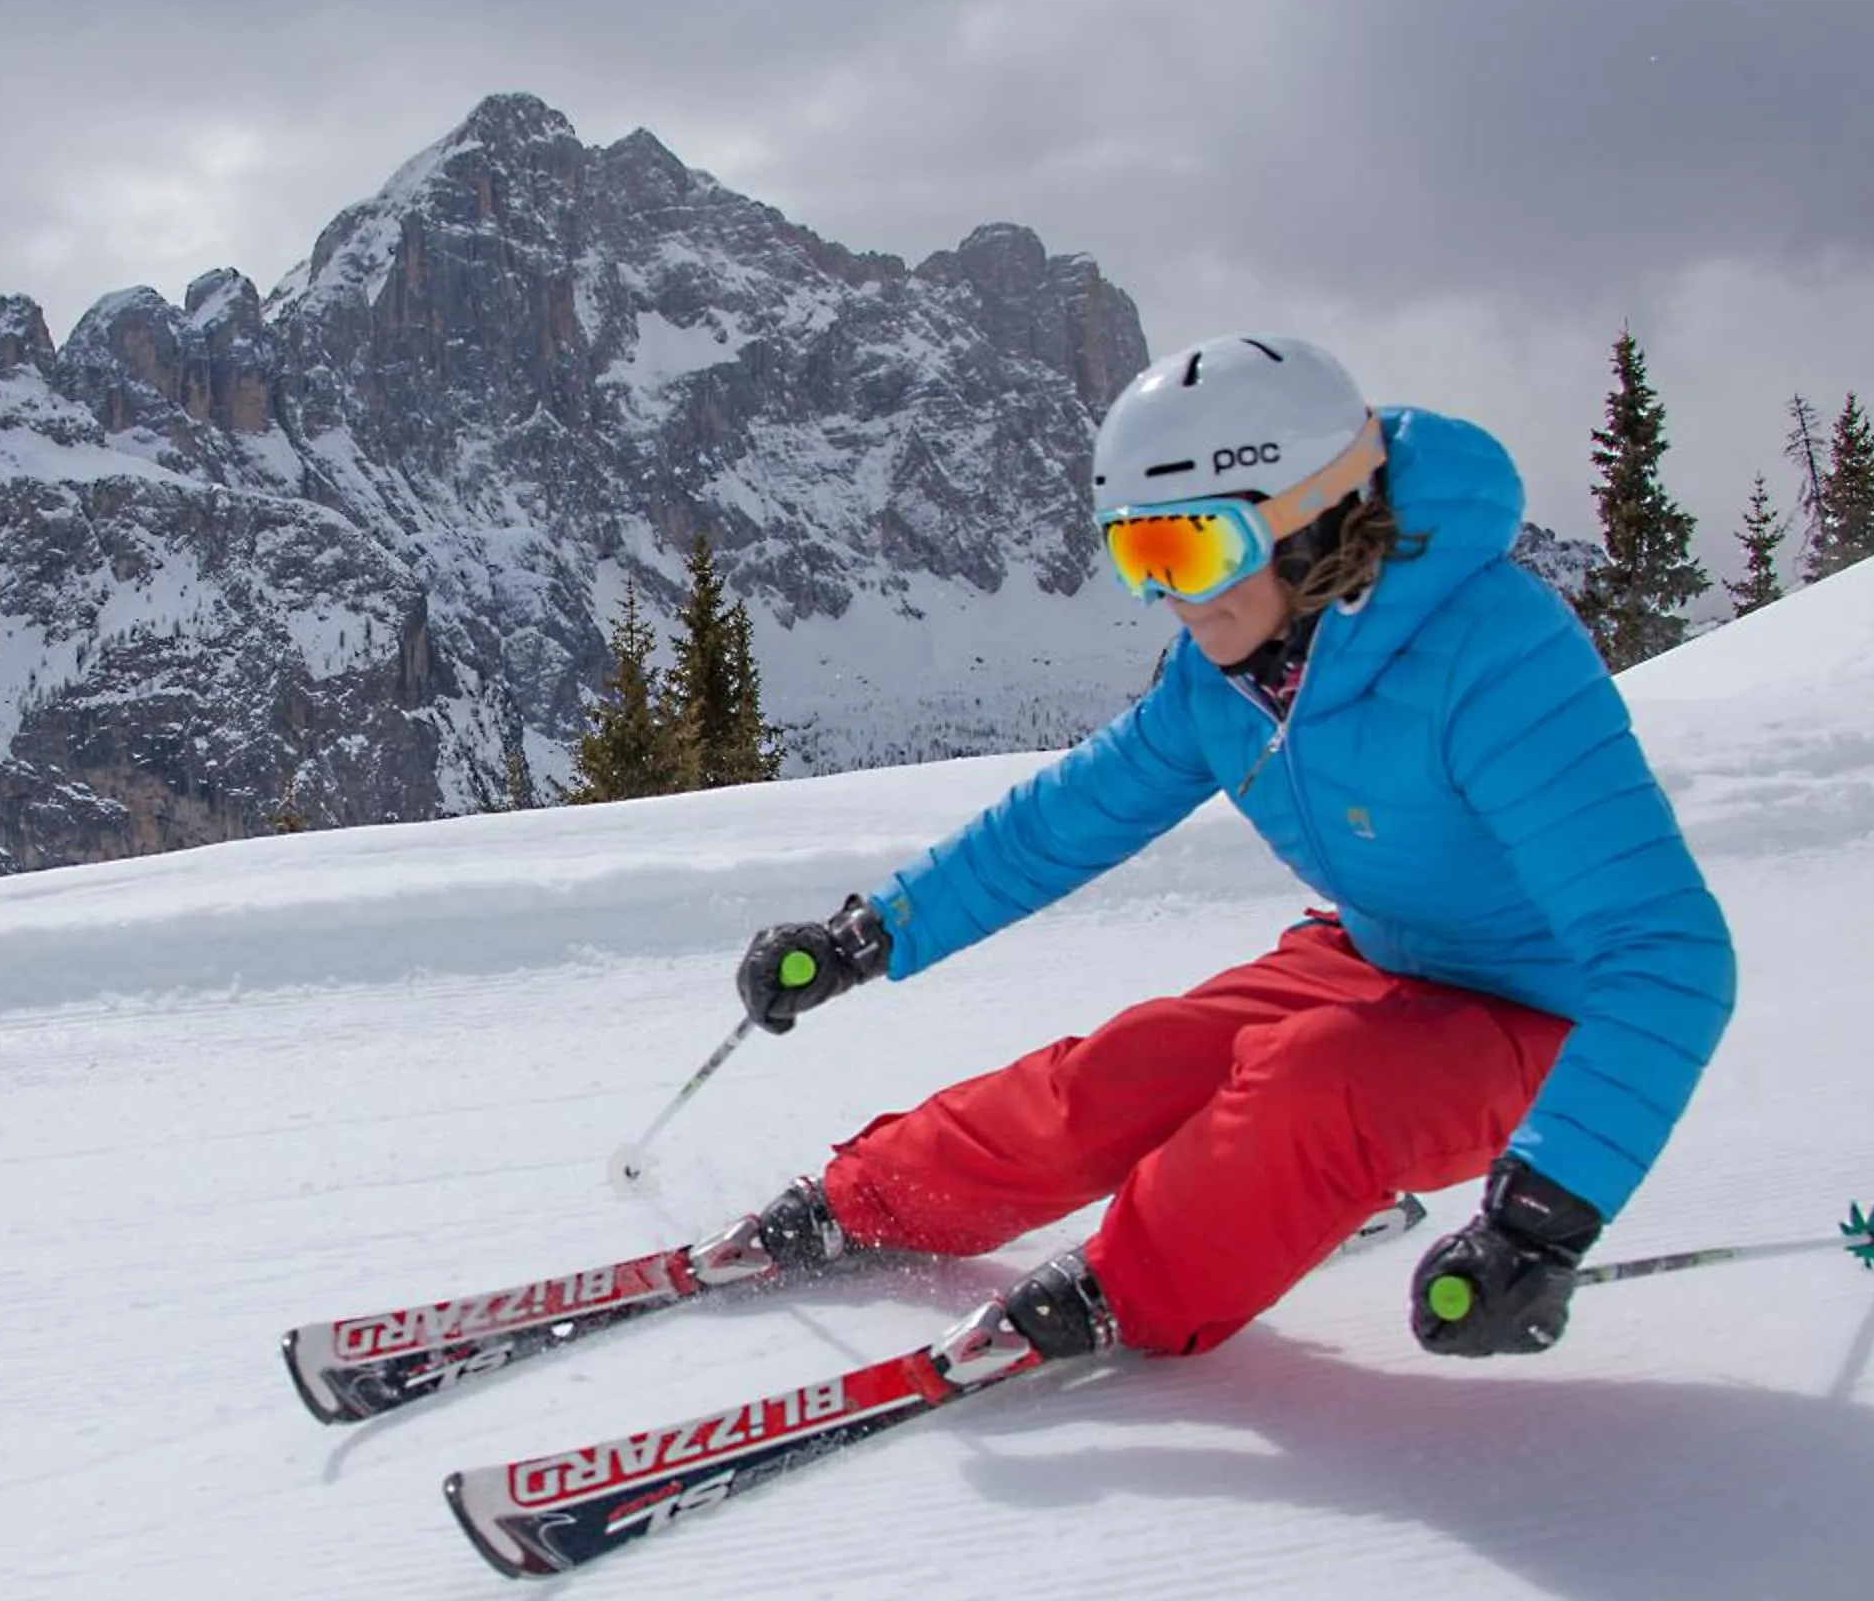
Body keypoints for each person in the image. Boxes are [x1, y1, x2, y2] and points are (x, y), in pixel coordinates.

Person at [699, 334, 1735, 1377]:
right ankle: (874, 1196)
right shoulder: (1227, 679)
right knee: (1136, 1063)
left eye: (1189, 552)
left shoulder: (1493, 652)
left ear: (1310, 526)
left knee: (1309, 1085)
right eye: (1135, 558)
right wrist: (872, 932)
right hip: (1380, 958)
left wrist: (1541, 1222)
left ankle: (1135, 1285)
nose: (1170, 599)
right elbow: (1066, 818)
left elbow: (1667, 956)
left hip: (1546, 1019)